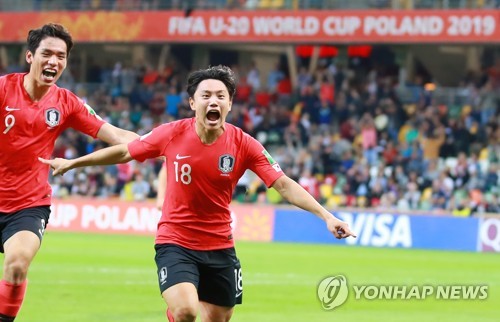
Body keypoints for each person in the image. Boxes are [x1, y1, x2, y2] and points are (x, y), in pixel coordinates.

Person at [40, 65, 356, 322]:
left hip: (220, 245)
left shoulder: (244, 144)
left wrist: (326, 216)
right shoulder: (171, 133)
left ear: (230, 103)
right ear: (193, 103)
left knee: (218, 317)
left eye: (220, 95)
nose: (213, 101)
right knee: (187, 310)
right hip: (175, 241)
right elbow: (125, 152)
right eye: (205, 95)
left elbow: (283, 183)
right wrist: (74, 163)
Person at [0, 23, 139, 321]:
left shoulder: (67, 103)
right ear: (29, 57)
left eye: (60, 56)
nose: (54, 61)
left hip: (27, 204)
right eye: (47, 53)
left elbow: (115, 135)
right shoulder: (2, 89)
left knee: (17, 263)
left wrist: (160, 142)